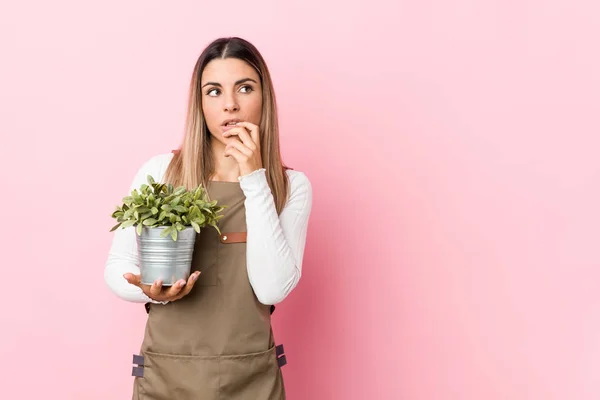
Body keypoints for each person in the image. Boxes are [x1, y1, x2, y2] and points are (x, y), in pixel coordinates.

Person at [104, 36, 313, 400]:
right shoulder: (160, 173)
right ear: (200, 104)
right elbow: (117, 266)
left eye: (244, 88)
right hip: (167, 378)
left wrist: (254, 179)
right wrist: (151, 289)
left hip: (251, 381)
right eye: (214, 92)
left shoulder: (291, 186)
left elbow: (272, 289)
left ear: (264, 97)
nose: (230, 106)